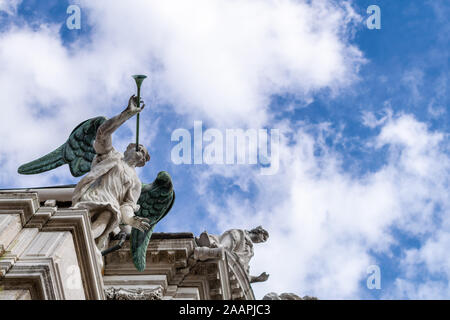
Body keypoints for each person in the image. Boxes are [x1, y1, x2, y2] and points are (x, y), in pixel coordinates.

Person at [72, 95, 151, 268]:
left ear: (142, 161)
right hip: (93, 194)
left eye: (143, 152)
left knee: (109, 214)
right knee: (78, 218)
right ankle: (74, 239)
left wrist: (130, 220)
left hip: (112, 204)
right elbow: (102, 134)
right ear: (128, 149)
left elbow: (128, 205)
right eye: (138, 147)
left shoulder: (135, 182)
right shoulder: (112, 156)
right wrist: (127, 113)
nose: (140, 151)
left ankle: (85, 243)